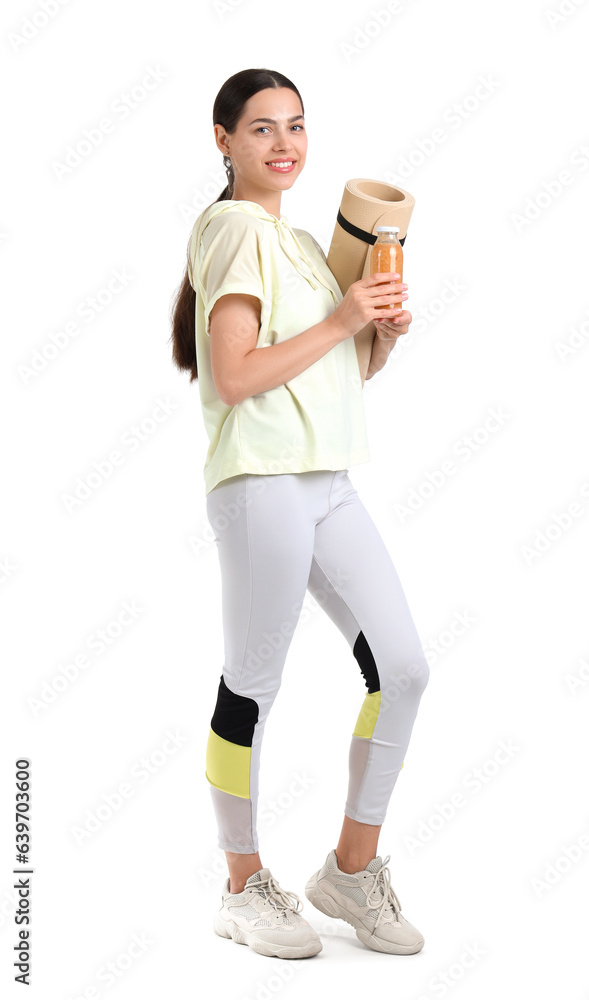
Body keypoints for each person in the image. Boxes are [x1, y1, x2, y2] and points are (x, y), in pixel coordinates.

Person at [170, 68, 430, 961]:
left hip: (328, 481)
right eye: (260, 129)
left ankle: (349, 872)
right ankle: (241, 885)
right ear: (223, 141)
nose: (283, 144)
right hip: (261, 485)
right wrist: (343, 318)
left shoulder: (305, 247)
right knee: (252, 685)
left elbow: (337, 374)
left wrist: (374, 338)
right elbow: (234, 378)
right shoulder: (232, 229)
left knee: (402, 667)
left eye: (296, 127)